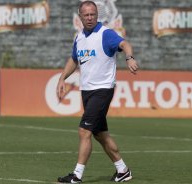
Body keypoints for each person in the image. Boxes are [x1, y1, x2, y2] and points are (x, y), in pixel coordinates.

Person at [56, 1, 138, 183]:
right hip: (87, 91)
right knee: (100, 134)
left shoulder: (105, 34)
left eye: (93, 14)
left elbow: (125, 44)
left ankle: (76, 175)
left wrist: (129, 58)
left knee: (84, 131)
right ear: (80, 17)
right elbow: (74, 59)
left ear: (97, 15)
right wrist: (62, 78)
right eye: (86, 15)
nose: (90, 18)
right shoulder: (79, 37)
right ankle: (123, 170)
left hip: (102, 90)